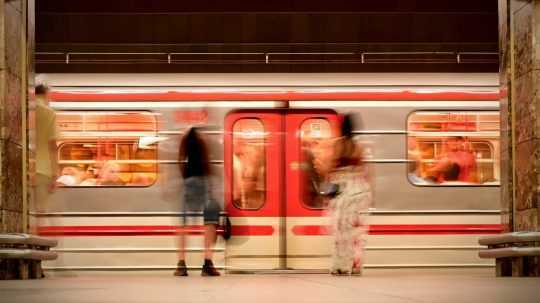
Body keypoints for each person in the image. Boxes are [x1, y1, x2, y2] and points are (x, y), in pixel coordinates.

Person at [316, 114, 372, 276]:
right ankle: (355, 265)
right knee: (354, 232)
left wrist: (322, 170)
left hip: (343, 190)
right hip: (359, 190)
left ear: (341, 127)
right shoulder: (358, 147)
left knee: (340, 231)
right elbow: (364, 171)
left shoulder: (337, 145)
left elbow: (328, 169)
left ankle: (340, 266)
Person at [174, 127, 220, 277]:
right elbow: (207, 163)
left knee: (183, 224)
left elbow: (180, 161)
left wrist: (185, 177)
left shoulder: (185, 139)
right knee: (210, 222)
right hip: (204, 182)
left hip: (189, 182)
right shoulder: (202, 138)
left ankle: (181, 265)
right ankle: (207, 263)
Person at [33, 84, 59, 233]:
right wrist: (55, 174)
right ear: (45, 94)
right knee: (39, 214)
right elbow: (52, 145)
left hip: (26, 170)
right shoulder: (48, 112)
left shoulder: (25, 108)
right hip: (43, 171)